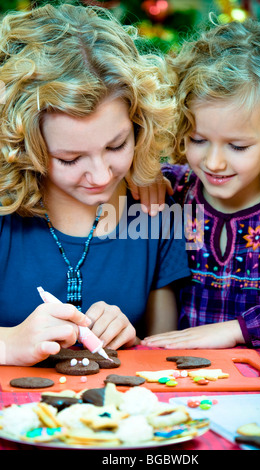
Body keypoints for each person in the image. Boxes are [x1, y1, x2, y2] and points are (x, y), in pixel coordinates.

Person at [0, 4, 190, 366]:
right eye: (71, 159)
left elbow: (166, 356)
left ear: (139, 125)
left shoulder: (155, 211)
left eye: (117, 145)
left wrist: (133, 339)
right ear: (23, 146)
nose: (102, 176)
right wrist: (9, 344)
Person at [140, 19, 260, 350]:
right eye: (197, 139)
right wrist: (142, 173)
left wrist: (240, 329)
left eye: (237, 146)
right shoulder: (174, 190)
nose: (213, 163)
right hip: (186, 385)